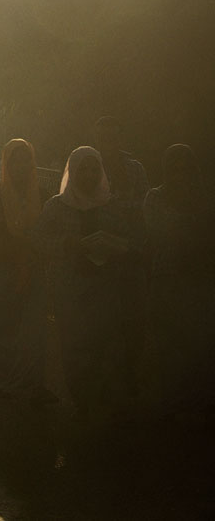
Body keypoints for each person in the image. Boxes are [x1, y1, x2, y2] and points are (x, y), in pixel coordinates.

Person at [35, 146, 139, 421]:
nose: (89, 175)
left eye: (94, 169)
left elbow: (129, 240)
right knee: (73, 342)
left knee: (104, 341)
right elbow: (41, 242)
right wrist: (69, 245)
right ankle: (81, 396)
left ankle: (103, 395)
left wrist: (114, 246)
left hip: (105, 285)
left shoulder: (112, 206)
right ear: (73, 171)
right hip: (69, 286)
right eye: (83, 169)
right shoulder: (56, 206)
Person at [0, 139, 54, 401]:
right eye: (15, 161)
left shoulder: (43, 196)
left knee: (35, 329)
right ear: (6, 164)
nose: (21, 166)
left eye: (26, 161)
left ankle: (34, 384)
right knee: (5, 328)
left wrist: (30, 249)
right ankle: (7, 381)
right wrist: (16, 244)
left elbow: (49, 233)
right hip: (3, 268)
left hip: (33, 268)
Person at [144, 144, 215, 410]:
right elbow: (159, 230)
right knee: (167, 344)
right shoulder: (155, 197)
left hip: (200, 283)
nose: (180, 174)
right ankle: (171, 402)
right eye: (175, 169)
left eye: (186, 169)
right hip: (167, 281)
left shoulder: (204, 197)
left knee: (198, 344)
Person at [93, 116, 150, 396]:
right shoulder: (90, 166)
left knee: (133, 319)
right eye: (103, 138)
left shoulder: (134, 168)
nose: (108, 144)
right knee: (103, 320)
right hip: (100, 258)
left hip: (130, 254)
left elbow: (143, 209)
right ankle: (107, 376)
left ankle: (131, 374)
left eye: (112, 138)